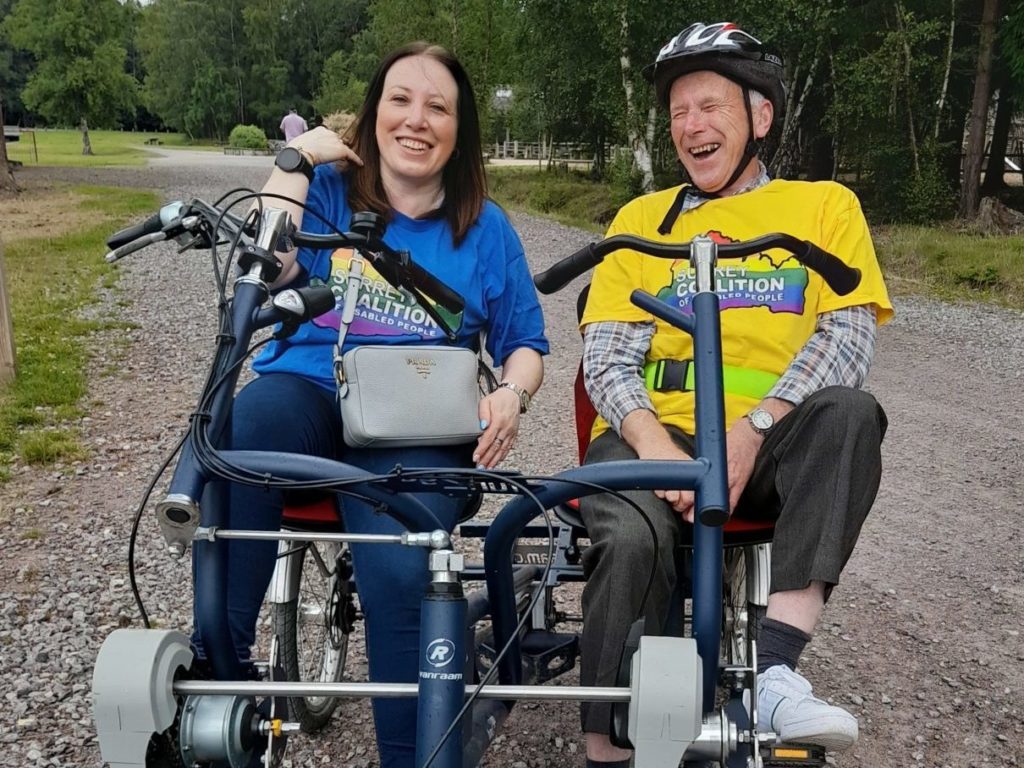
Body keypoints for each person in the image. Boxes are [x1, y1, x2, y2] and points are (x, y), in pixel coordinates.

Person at [198, 42, 548, 767]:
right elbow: (263, 259)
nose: (416, 120)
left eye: (438, 107)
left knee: (397, 573)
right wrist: (295, 162)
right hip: (308, 393)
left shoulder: (485, 229)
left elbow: (526, 344)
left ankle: (409, 755)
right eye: (400, 100)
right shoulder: (327, 193)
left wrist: (511, 394)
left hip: (416, 420)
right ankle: (219, 690)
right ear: (373, 112)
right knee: (248, 425)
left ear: (460, 130)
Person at [577, 22, 892, 766]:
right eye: (679, 111)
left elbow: (846, 341)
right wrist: (660, 453)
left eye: (710, 106)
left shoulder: (824, 210)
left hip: (769, 445)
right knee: (629, 537)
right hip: (657, 434)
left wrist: (752, 431)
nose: (691, 126)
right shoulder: (639, 223)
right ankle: (609, 742)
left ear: (760, 117)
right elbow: (609, 358)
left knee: (850, 414)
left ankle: (776, 673)